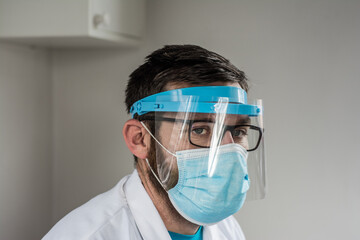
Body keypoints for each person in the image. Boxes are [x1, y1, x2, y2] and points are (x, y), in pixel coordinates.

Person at [43, 45, 266, 240]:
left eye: (239, 131)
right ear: (139, 139)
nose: (228, 148)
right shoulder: (87, 235)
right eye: (199, 129)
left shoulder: (225, 228)